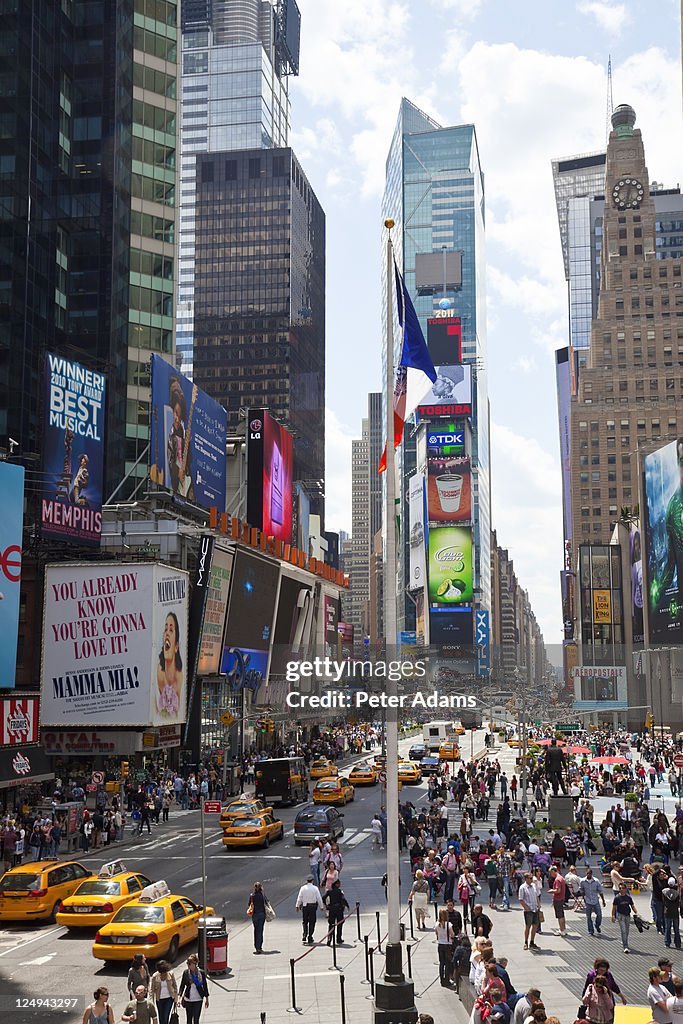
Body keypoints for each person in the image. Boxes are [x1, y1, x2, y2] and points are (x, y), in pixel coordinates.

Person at [167, 376, 195, 501]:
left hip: (185, 478)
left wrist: (188, 442)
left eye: (179, 414)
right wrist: (177, 469)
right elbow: (169, 458)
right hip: (172, 479)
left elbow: (189, 460)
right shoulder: (169, 431)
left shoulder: (184, 433)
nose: (176, 418)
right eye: (175, 413)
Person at [157, 612, 183, 718]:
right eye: (165, 629)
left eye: (171, 630)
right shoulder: (158, 673)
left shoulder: (180, 678)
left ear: (176, 646)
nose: (167, 633)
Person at [178, 954, 209, 1024]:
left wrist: (207, 999)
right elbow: (182, 986)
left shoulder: (201, 973)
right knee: (189, 1020)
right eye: (188, 964)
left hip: (198, 999)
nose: (189, 966)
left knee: (196, 1020)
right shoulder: (186, 973)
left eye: (190, 964)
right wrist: (179, 998)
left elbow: (205, 985)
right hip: (188, 999)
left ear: (195, 964)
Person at [296, 875, 324, 944]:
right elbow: (319, 898)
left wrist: (297, 905)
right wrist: (321, 906)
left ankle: (305, 933)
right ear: (312, 881)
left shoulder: (303, 888)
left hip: (305, 907)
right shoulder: (315, 888)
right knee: (312, 922)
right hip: (312, 907)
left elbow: (300, 898)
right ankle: (310, 936)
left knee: (305, 921)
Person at [580, 867, 606, 936]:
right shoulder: (582, 881)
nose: (588, 875)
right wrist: (584, 898)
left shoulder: (596, 881)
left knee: (599, 915)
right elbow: (581, 889)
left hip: (595, 900)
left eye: (590, 874)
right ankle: (591, 930)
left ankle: (597, 925)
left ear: (592, 874)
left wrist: (603, 900)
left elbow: (600, 891)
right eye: (587, 873)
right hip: (588, 901)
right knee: (589, 917)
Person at [518, 871, 540, 950]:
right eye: (530, 878)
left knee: (535, 926)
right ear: (526, 879)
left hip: (535, 909)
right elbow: (521, 899)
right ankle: (525, 942)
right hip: (528, 910)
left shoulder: (534, 885)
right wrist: (526, 908)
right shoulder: (522, 887)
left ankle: (532, 942)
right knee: (528, 926)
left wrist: (538, 904)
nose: (532, 880)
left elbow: (537, 895)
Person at [611, 880, 635, 953]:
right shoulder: (617, 898)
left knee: (627, 930)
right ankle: (625, 946)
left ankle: (624, 940)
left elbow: (632, 905)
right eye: (620, 888)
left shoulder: (628, 897)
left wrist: (636, 912)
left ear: (625, 889)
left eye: (622, 888)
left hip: (627, 915)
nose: (621, 889)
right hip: (620, 915)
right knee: (623, 930)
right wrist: (613, 915)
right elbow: (614, 907)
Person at [324, 879, 349, 945]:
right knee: (339, 924)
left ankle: (329, 939)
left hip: (332, 909)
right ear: (336, 884)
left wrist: (327, 905)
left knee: (331, 924)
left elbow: (323, 898)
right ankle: (338, 938)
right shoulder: (339, 891)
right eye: (339, 883)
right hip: (339, 909)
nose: (340, 885)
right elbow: (343, 900)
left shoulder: (329, 891)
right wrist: (347, 906)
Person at [435, 908, 456, 987]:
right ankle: (446, 980)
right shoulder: (449, 925)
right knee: (447, 963)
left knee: (441, 963)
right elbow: (452, 934)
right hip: (447, 945)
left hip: (440, 944)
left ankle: (441, 980)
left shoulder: (437, 924)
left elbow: (436, 934)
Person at [247, 881, 269, 954]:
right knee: (260, 930)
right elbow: (267, 902)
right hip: (262, 914)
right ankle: (260, 947)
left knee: (256, 930)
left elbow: (249, 904)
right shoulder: (262, 895)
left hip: (255, 915)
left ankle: (256, 947)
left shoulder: (252, 896)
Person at [663, 877, 682, 950]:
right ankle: (678, 943)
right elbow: (678, 903)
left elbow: (664, 902)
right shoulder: (677, 893)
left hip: (667, 912)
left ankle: (667, 943)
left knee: (668, 928)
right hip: (675, 912)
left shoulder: (664, 892)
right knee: (676, 929)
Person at [548, 866, 567, 937]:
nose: (550, 874)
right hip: (562, 898)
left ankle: (562, 930)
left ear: (553, 871)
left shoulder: (557, 880)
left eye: (550, 873)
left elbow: (558, 890)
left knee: (559, 916)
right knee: (562, 915)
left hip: (558, 899)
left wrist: (551, 891)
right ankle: (563, 929)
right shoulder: (561, 878)